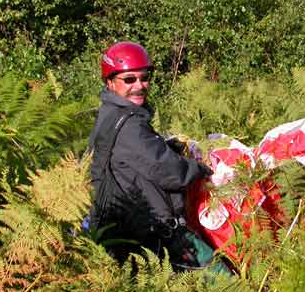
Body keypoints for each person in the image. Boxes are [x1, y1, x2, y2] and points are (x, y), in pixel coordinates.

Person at [88, 41, 214, 269]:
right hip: (155, 234)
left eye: (144, 77)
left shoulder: (111, 114)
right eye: (129, 79)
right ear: (110, 82)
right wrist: (201, 167)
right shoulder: (129, 126)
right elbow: (171, 172)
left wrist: (168, 147)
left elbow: (137, 158)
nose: (139, 85)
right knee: (222, 282)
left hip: (129, 230)